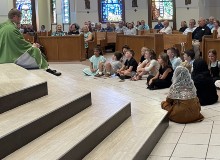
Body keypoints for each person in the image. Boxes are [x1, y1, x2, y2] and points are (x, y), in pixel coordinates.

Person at [0, 8, 61, 76]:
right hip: (12, 56)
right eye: (20, 17)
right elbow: (21, 44)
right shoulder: (11, 29)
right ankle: (46, 68)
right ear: (15, 17)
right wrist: (33, 46)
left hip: (3, 55)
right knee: (36, 51)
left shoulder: (3, 26)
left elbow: (17, 42)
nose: (20, 19)